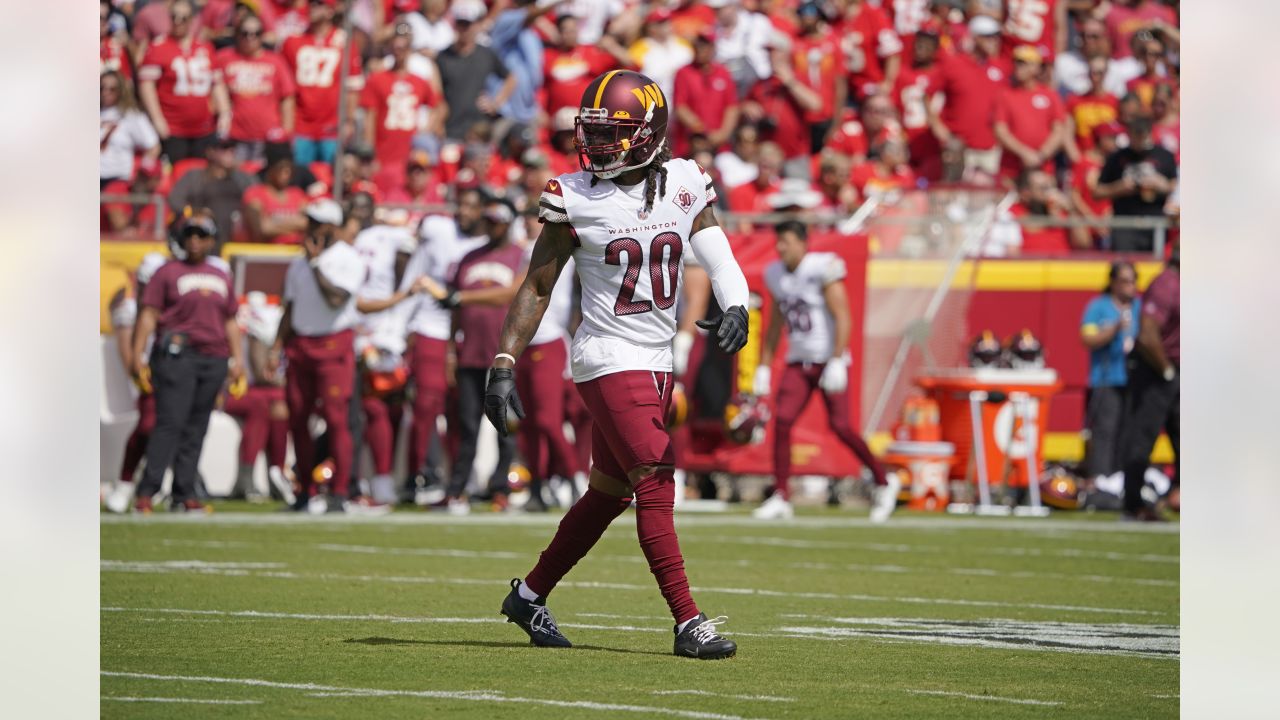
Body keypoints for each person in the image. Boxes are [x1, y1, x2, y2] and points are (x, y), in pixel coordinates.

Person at [484, 70, 749, 659]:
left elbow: (714, 246)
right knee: (655, 480)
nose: (599, 146)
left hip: (657, 360)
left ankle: (528, 596)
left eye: (615, 133)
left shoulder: (682, 180)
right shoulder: (574, 194)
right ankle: (688, 622)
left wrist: (738, 302)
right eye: (595, 133)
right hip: (608, 355)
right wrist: (504, 359)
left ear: (650, 134)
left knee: (607, 492)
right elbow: (537, 286)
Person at [753, 220, 897, 522]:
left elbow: (842, 316)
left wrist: (836, 358)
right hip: (798, 360)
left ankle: (884, 482)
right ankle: (781, 495)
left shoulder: (822, 268)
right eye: (779, 242)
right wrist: (764, 366)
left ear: (804, 243)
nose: (781, 248)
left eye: (787, 241)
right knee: (782, 422)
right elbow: (776, 324)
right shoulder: (775, 274)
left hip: (826, 359)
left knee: (841, 426)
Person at [130, 214, 245, 513]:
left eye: (201, 234)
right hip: (178, 356)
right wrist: (137, 353)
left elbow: (230, 320)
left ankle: (183, 492)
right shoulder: (166, 272)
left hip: (214, 357)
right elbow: (149, 314)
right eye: (190, 233)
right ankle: (148, 491)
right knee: (170, 423)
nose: (194, 239)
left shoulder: (220, 275)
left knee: (197, 427)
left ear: (211, 240)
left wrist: (238, 359)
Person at [269, 200, 365, 513]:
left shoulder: (347, 258)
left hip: (333, 345)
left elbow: (337, 299)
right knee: (298, 418)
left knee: (336, 419)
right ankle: (305, 490)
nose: (310, 227)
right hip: (301, 345)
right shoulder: (299, 262)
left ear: (333, 227)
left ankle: (339, 491)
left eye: (317, 222)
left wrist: (315, 265)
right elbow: (290, 307)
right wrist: (275, 346)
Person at [398, 188, 490, 500]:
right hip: (431, 326)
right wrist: (398, 329)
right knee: (426, 404)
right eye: (460, 204)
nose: (464, 211)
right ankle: (418, 475)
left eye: (471, 206)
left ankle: (457, 481)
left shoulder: (486, 245)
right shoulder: (438, 234)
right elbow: (413, 278)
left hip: (467, 335)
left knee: (461, 411)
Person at [104, 253, 169, 514]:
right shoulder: (129, 306)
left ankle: (163, 482)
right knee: (148, 426)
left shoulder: (171, 303)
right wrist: (139, 371)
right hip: (146, 373)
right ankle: (126, 482)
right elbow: (127, 352)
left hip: (173, 371)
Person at [1120, 249, 1179, 521]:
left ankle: (1178, 495)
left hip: (1179, 369)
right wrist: (1166, 371)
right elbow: (1147, 334)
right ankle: (1133, 504)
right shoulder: (1167, 283)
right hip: (1157, 370)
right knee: (1142, 439)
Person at [138, 0, 227, 163]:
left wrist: (225, 112)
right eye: (174, 17)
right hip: (173, 128)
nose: (178, 22)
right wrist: (157, 119)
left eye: (183, 18)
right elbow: (147, 86)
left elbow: (217, 84)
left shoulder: (205, 47)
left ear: (192, 20)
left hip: (204, 128)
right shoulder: (158, 47)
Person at [928, 14, 1010, 185]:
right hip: (960, 149)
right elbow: (927, 94)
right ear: (975, 37)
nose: (994, 41)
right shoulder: (954, 64)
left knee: (985, 204)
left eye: (996, 36)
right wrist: (938, 128)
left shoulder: (999, 68)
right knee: (956, 202)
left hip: (990, 150)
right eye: (988, 36)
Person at [281, 0, 364, 167]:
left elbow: (352, 87)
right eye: (311, 3)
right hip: (301, 124)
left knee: (332, 178)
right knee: (300, 178)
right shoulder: (293, 40)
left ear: (330, 11)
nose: (312, 8)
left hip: (331, 126)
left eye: (318, 4)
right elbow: (284, 88)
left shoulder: (344, 42)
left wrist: (348, 120)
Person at [1080, 260, 1140, 483]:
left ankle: (1121, 478)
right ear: (1113, 283)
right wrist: (1113, 329)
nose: (1129, 287)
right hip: (1106, 377)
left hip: (1133, 379)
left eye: (1133, 282)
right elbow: (1087, 338)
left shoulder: (1139, 307)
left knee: (1128, 432)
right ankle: (1100, 478)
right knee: (1105, 431)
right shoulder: (1099, 307)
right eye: (1124, 281)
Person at [361, 22, 440, 191]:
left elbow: (438, 106)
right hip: (384, 150)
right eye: (396, 47)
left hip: (410, 152)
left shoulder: (419, 81)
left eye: (404, 47)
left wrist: (426, 130)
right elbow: (370, 117)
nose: (399, 52)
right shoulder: (378, 79)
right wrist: (370, 154)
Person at [213, 14, 296, 163]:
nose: (250, 38)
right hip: (235, 136)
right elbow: (214, 91)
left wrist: (286, 132)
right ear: (237, 34)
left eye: (256, 34)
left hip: (268, 136)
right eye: (245, 33)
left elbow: (287, 97)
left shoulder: (275, 61)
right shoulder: (224, 58)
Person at [436, 1, 516, 143]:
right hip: (451, 129)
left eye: (468, 24)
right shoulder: (443, 57)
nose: (464, 29)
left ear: (477, 25)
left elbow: (511, 78)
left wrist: (495, 103)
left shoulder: (485, 54)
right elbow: (436, 94)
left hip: (479, 128)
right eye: (461, 24)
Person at [1094, 116, 1177, 252]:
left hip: (1156, 224)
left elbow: (1175, 186)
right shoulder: (1116, 158)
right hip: (1125, 224)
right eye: (1135, 135)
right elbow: (1097, 192)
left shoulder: (1165, 156)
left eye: (1142, 136)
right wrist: (1120, 187)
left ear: (1150, 133)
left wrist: (1162, 185)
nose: (1139, 140)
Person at [994, 45, 1067, 183]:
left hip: (1043, 167)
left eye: (1023, 63)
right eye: (1016, 62)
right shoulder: (1005, 94)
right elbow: (1000, 130)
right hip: (1011, 168)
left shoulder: (1050, 95)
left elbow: (1059, 129)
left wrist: (1041, 155)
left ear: (1036, 67)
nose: (1017, 66)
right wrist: (1024, 153)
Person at [168, 137, 256, 249]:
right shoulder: (194, 177)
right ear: (210, 152)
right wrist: (195, 212)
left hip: (235, 238)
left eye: (232, 148)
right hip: (201, 237)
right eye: (224, 148)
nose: (230, 152)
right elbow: (175, 200)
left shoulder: (243, 179)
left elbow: (257, 199)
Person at [672, 29, 739, 159]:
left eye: (705, 45)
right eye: (698, 45)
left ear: (713, 48)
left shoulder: (722, 72)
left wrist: (723, 134)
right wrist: (702, 131)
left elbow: (732, 107)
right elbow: (680, 107)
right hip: (691, 146)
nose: (701, 49)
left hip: (720, 147)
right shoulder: (684, 73)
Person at [791, 2, 847, 155]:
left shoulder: (833, 43)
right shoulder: (795, 42)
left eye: (810, 13)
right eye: (802, 13)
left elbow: (840, 84)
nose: (806, 18)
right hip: (801, 116)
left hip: (826, 114)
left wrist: (836, 122)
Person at [100, 70, 161, 189]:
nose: (105, 92)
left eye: (112, 89)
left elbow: (153, 147)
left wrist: (142, 173)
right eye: (101, 88)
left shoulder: (131, 116)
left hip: (117, 178)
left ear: (121, 90)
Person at [242, 145, 308, 244]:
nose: (287, 174)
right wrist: (295, 225)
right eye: (282, 169)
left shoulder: (297, 194)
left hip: (294, 252)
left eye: (289, 169)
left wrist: (274, 224)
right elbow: (262, 228)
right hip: (264, 254)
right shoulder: (254, 194)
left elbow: (308, 224)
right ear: (271, 170)